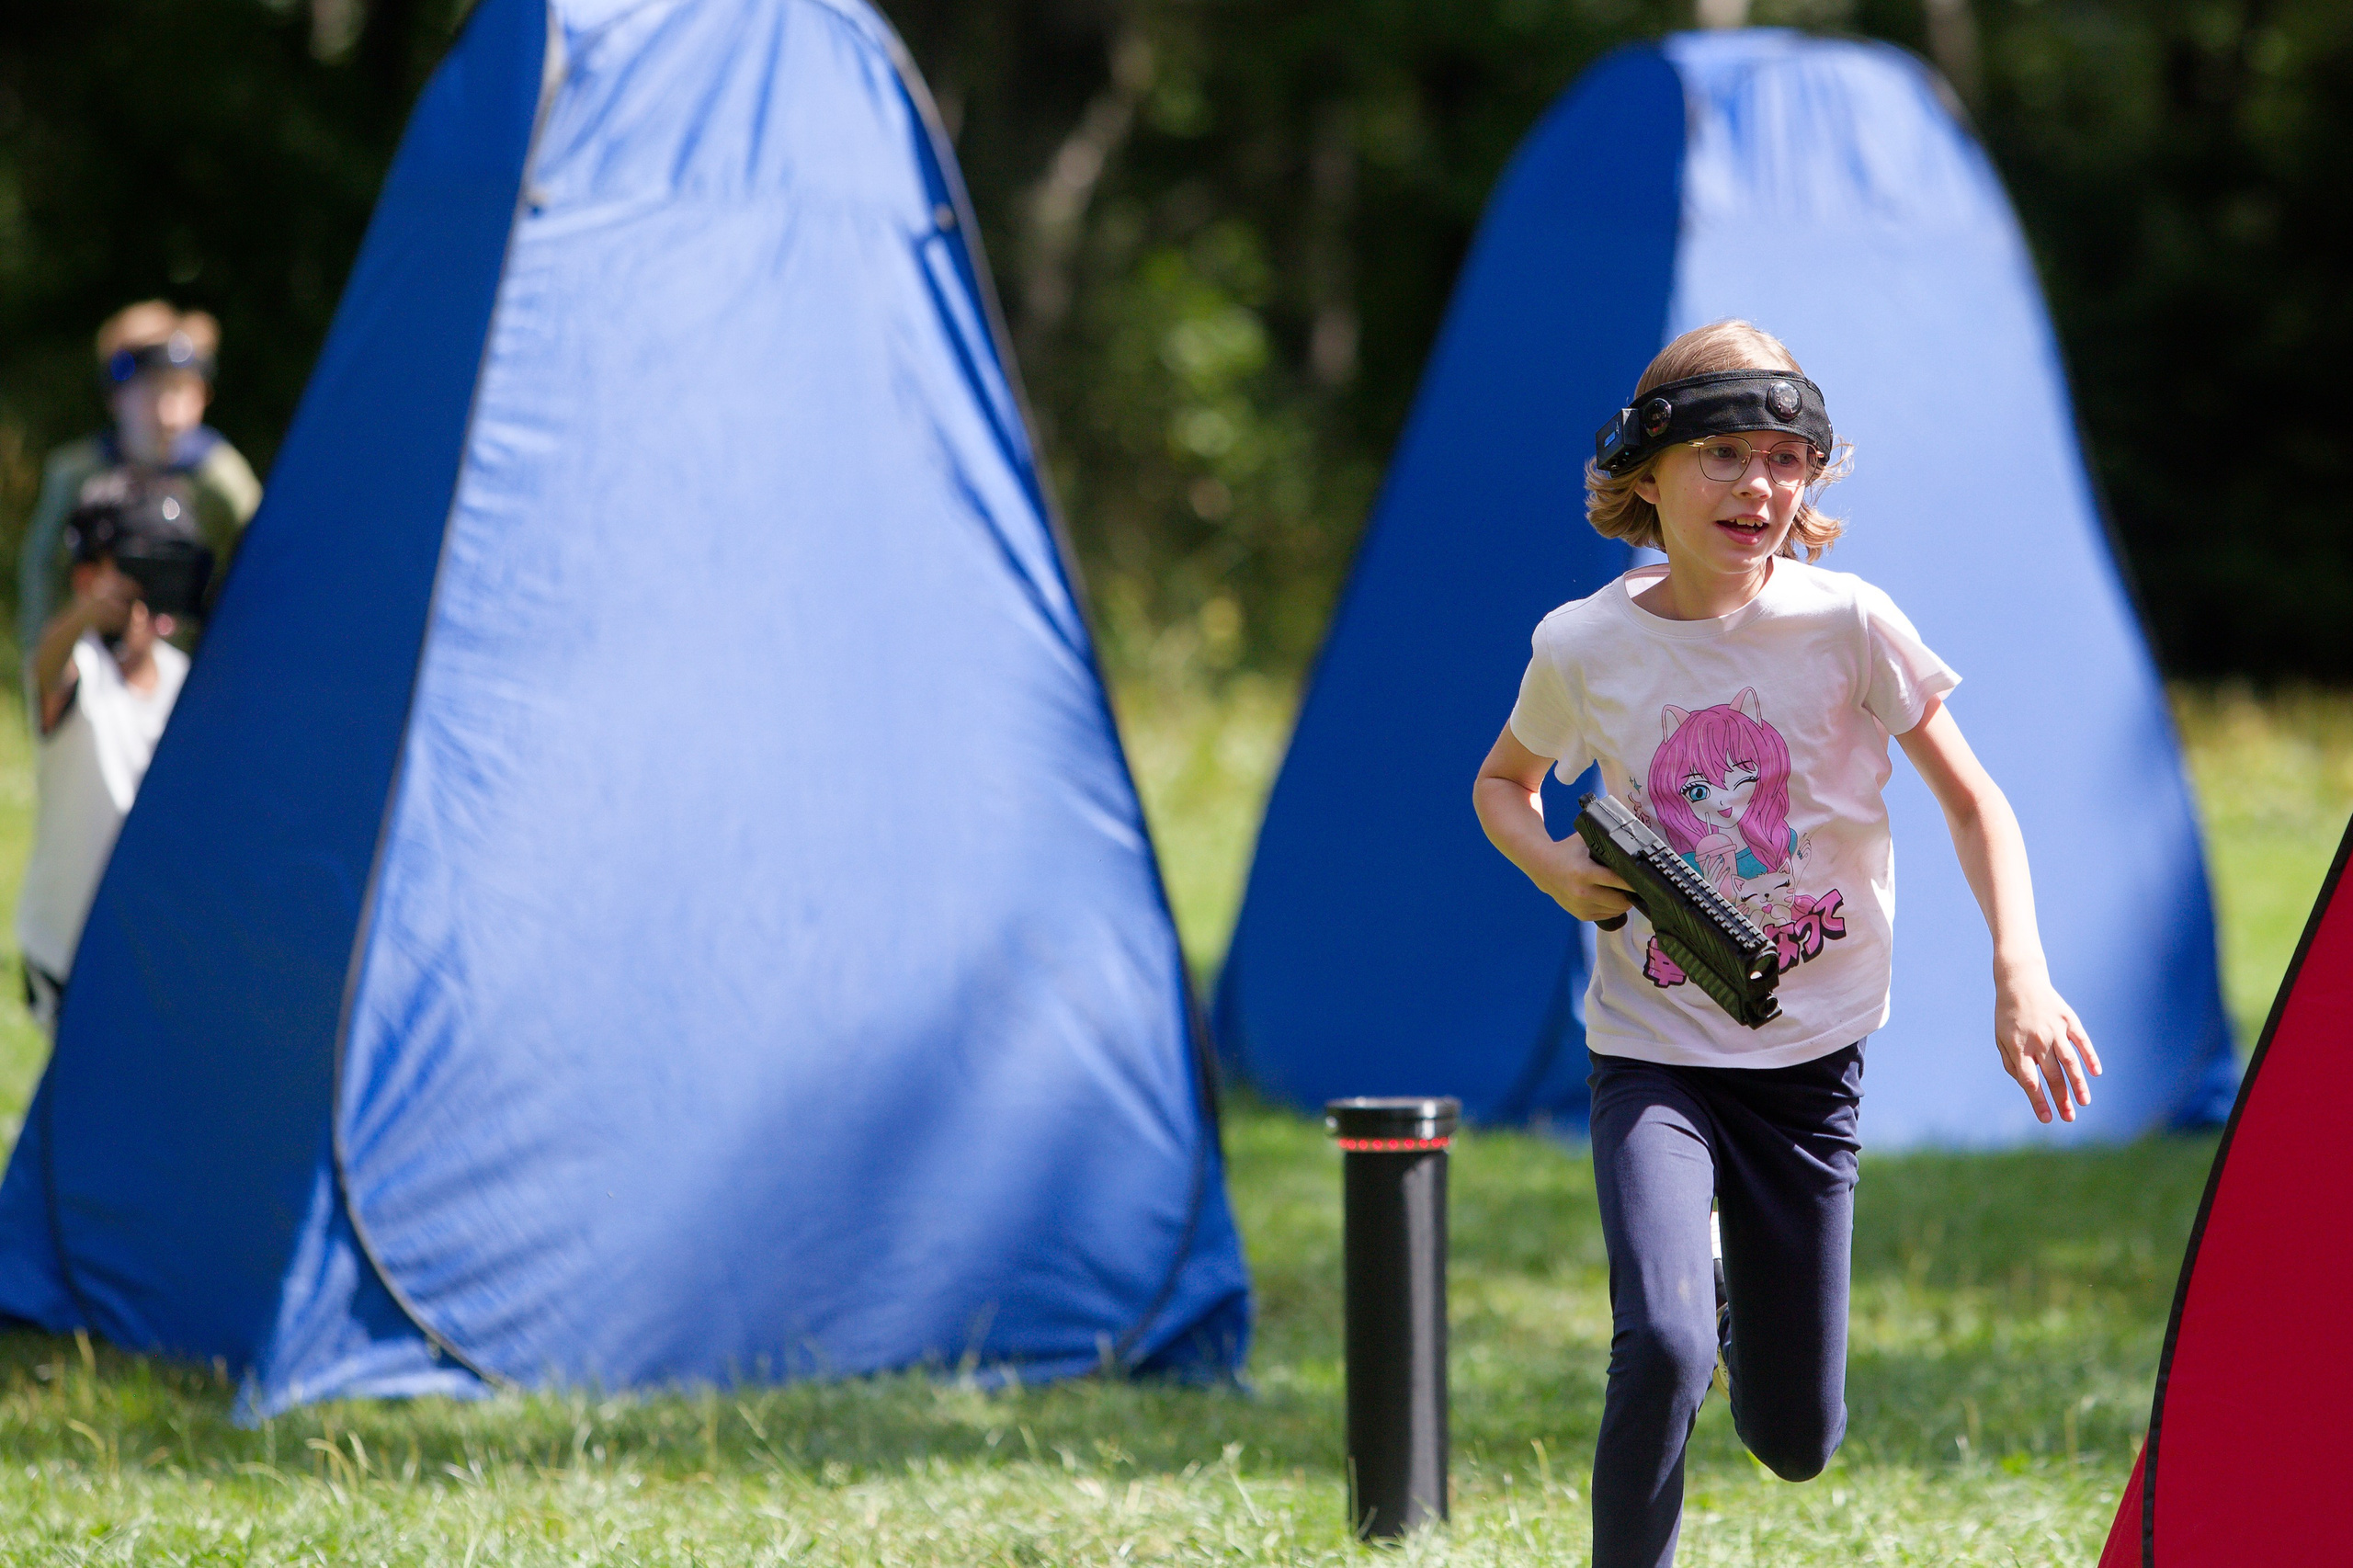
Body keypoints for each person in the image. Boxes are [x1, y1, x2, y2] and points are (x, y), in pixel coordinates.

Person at [1470, 319, 2101, 1568]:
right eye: (1721, 454)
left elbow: (1977, 803)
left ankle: (1724, 1298)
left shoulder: (1852, 625)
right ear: (1645, 472)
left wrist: (2018, 967)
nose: (1756, 486)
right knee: (1659, 1343)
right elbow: (1504, 781)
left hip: (1809, 1072)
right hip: (1652, 1051)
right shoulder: (1583, 644)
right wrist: (1554, 866)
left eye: (1782, 458)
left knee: (1796, 1436)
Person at [15, 476, 199, 1036]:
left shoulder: (187, 684)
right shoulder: (81, 670)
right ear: (89, 577)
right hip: (64, 949)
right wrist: (84, 615)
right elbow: (49, 668)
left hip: (143, 951)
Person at [17, 301, 260, 648]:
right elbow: (42, 574)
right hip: (94, 671)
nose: (168, 415)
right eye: (151, 392)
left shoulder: (221, 477)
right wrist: (44, 663)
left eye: (181, 391)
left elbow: (267, 567)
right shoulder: (74, 475)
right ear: (116, 397)